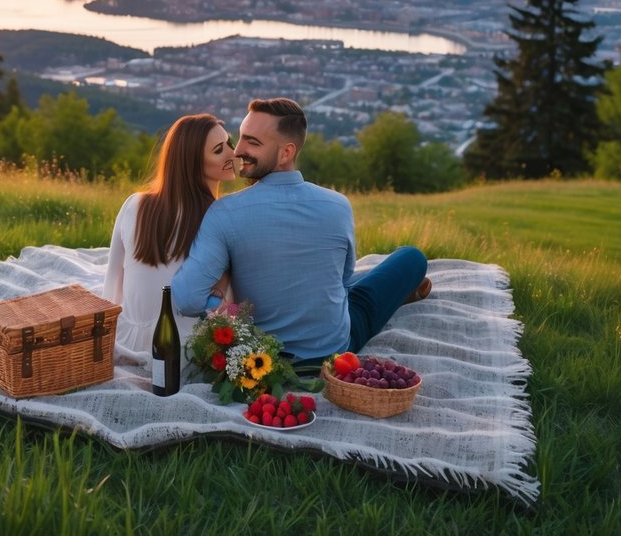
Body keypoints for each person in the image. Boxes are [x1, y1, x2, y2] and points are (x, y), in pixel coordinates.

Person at [172, 97, 430, 364]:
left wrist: (220, 306)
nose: (237, 151)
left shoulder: (224, 213)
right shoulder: (338, 205)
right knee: (410, 257)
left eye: (253, 142)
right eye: (241, 138)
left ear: (286, 152)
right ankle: (399, 292)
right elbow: (342, 281)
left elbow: (187, 299)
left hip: (262, 359)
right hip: (334, 348)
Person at [103, 113, 236, 354]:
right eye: (219, 150)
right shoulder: (220, 216)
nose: (232, 154)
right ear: (193, 162)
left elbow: (113, 280)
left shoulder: (135, 204)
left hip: (128, 338)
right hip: (182, 345)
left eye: (229, 143)